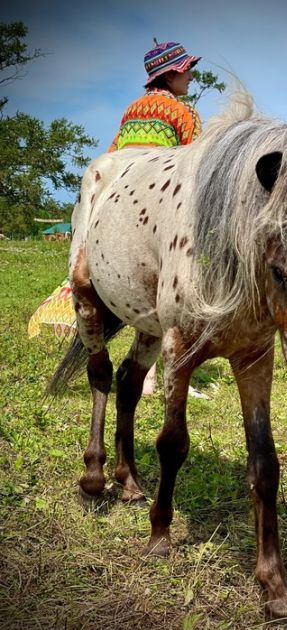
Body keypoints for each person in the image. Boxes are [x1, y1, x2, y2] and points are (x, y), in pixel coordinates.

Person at [28, 40, 204, 396]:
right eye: (187, 69)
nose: (191, 75)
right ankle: (156, 376)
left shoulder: (132, 110)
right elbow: (196, 164)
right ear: (170, 74)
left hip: (124, 199)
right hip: (160, 201)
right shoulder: (184, 114)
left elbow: (113, 154)